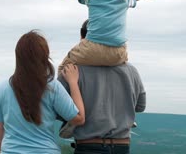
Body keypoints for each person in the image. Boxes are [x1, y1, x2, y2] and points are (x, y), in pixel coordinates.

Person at [13, 0, 176, 71]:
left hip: (91, 49)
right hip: (119, 53)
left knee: (64, 68)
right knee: (124, 69)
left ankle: (64, 105)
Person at [58, 20, 146, 154]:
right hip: (122, 146)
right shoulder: (131, 71)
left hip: (88, 146)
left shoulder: (71, 71)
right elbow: (140, 106)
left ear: (83, 39)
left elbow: (58, 110)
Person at [0, 30, 85, 154]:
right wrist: (73, 82)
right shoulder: (52, 87)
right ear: (44, 56)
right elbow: (79, 118)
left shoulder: (1, 89)